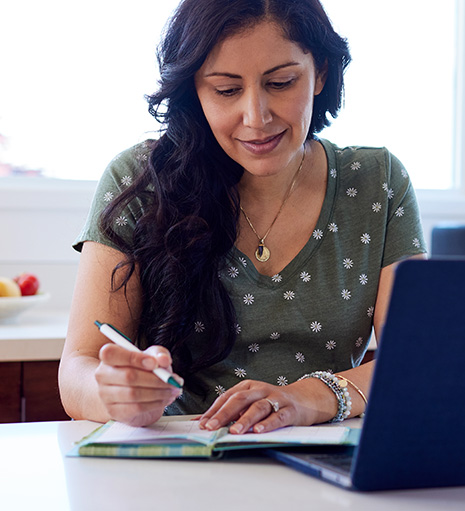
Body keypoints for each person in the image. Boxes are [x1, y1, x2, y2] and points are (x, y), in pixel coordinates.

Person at [59, 0, 425, 434]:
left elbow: (419, 360)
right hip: (177, 467)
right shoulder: (139, 181)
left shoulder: (376, 183)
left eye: (281, 82)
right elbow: (78, 369)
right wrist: (116, 396)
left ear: (321, 73)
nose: (257, 117)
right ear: (194, 88)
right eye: (227, 90)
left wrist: (309, 396)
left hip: (321, 465)